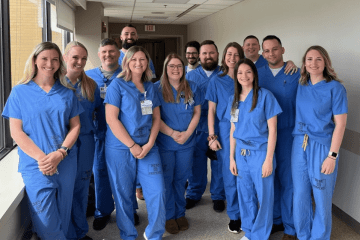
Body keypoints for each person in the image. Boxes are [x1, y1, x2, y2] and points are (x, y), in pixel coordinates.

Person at [2, 42, 83, 239]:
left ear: (60, 63)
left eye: (54, 59)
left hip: (65, 161)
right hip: (36, 165)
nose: (50, 63)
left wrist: (60, 153)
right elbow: (16, 132)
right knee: (47, 221)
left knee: (63, 215)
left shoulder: (67, 92)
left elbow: (76, 126)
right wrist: (43, 159)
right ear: (35, 61)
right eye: (44, 58)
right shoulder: (19, 92)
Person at [104, 46, 166, 240]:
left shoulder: (150, 86)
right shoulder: (117, 85)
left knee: (157, 191)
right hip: (121, 148)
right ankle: (128, 235)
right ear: (127, 62)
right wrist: (132, 145)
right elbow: (111, 119)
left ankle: (154, 234)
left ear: (147, 62)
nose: (138, 63)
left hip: (148, 146)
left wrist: (148, 145)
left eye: (142, 59)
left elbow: (157, 118)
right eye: (134, 60)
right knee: (123, 196)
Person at [291, 46, 347, 240]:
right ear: (304, 64)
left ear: (326, 63)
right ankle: (303, 235)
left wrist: (332, 156)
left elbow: (340, 125)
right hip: (299, 144)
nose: (313, 63)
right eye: (309, 59)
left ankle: (319, 237)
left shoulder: (335, 88)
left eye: (318, 59)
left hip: (322, 146)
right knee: (300, 195)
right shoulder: (301, 85)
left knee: (322, 197)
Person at [227, 58, 282, 240]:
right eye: (240, 72)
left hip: (261, 153)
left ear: (254, 74)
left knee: (264, 196)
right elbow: (233, 130)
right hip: (241, 154)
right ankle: (249, 232)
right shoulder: (234, 100)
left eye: (248, 72)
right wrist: (232, 159)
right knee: (245, 194)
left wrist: (268, 160)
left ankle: (260, 235)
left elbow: (273, 131)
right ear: (236, 76)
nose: (244, 76)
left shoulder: (265, 96)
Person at [155, 53, 201, 234]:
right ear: (165, 69)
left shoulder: (193, 87)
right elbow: (154, 118)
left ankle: (180, 213)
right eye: (171, 66)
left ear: (184, 69)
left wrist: (188, 133)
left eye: (179, 66)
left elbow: (197, 113)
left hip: (186, 142)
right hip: (166, 141)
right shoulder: (156, 89)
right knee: (166, 180)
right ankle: (168, 216)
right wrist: (173, 133)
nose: (176, 69)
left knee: (181, 179)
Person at [258, 35, 298, 240]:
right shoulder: (256, 74)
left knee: (288, 181)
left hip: (288, 135)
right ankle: (276, 220)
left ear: (282, 50)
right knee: (269, 180)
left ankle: (291, 228)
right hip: (263, 137)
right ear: (262, 53)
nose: (271, 53)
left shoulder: (296, 73)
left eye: (274, 49)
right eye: (266, 50)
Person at [64, 41, 102, 240]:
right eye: (75, 57)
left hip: (86, 142)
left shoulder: (90, 85)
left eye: (83, 59)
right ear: (65, 58)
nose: (79, 62)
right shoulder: (55, 85)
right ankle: (65, 231)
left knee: (81, 188)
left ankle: (79, 232)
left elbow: (100, 115)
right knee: (64, 188)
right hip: (61, 145)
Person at [205, 42, 244, 233]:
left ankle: (247, 213)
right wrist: (211, 136)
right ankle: (235, 216)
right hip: (224, 128)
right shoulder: (216, 80)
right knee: (229, 173)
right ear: (224, 57)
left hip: (247, 129)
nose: (232, 58)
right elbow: (211, 110)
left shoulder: (246, 77)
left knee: (246, 173)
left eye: (236, 55)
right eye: (229, 54)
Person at [185, 40, 226, 212]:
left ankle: (218, 195)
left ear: (217, 54)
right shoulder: (190, 76)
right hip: (196, 127)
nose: (208, 56)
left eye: (211, 53)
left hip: (219, 127)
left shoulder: (226, 74)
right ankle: (194, 194)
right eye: (204, 53)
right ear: (199, 56)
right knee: (197, 163)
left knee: (219, 164)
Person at [85, 38, 121, 230]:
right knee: (100, 173)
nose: (108, 55)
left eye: (112, 51)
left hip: (123, 135)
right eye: (104, 52)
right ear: (99, 54)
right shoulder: (88, 77)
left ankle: (128, 210)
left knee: (125, 174)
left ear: (118, 53)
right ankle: (103, 211)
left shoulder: (128, 74)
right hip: (98, 134)